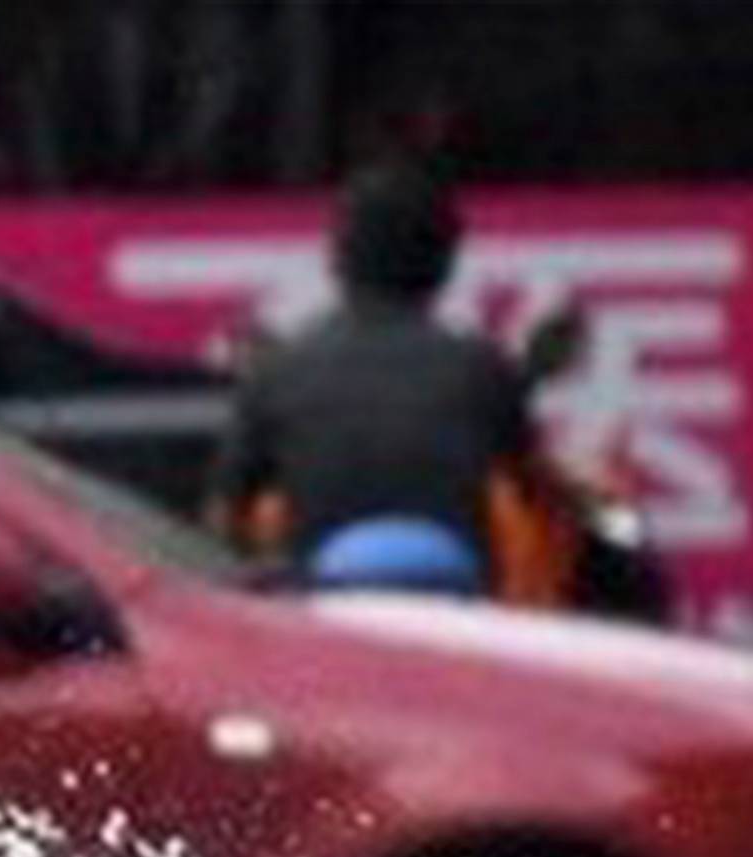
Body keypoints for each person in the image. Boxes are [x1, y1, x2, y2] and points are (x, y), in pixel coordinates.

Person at [209, 158, 551, 597]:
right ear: (445, 261)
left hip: (321, 616)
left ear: (337, 257)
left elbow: (225, 517)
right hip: (460, 618)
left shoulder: (279, 371)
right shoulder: (483, 369)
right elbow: (530, 490)